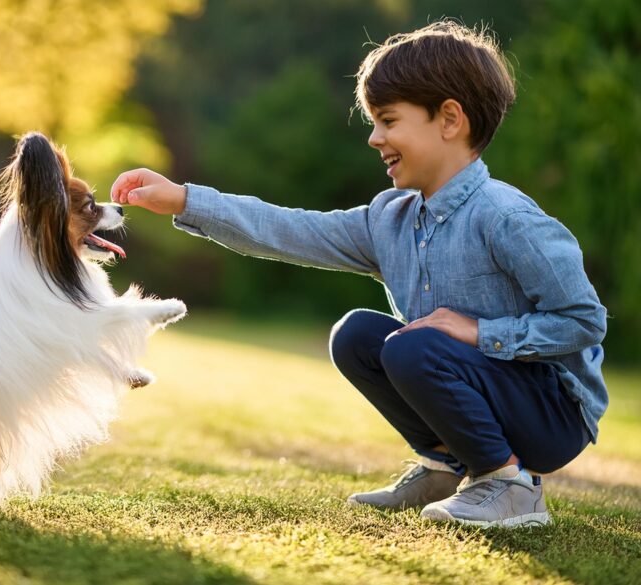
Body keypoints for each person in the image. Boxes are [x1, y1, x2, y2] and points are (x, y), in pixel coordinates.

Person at [109, 21, 607, 528]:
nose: (374, 138)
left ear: (450, 119)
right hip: (484, 396)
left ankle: (508, 485)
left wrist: (478, 332)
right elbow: (288, 229)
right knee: (358, 335)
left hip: (552, 413)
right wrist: (186, 199)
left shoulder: (507, 218)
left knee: (415, 345)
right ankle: (445, 466)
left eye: (388, 120)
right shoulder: (388, 220)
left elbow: (584, 321)